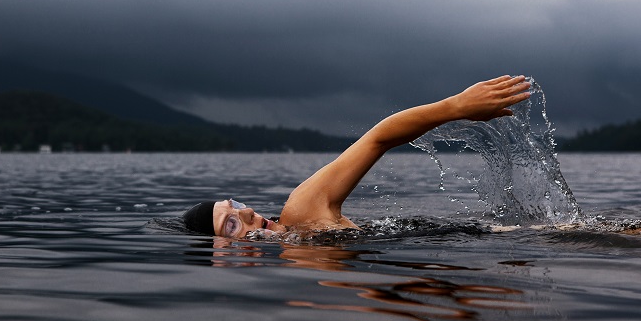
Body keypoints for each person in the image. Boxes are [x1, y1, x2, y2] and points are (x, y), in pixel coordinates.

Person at [182, 75, 532, 238]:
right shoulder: (298, 267)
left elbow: (377, 139)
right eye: (231, 224)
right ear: (221, 256)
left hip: (510, 237)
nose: (247, 212)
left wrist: (455, 107)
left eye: (236, 204)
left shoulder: (301, 212)